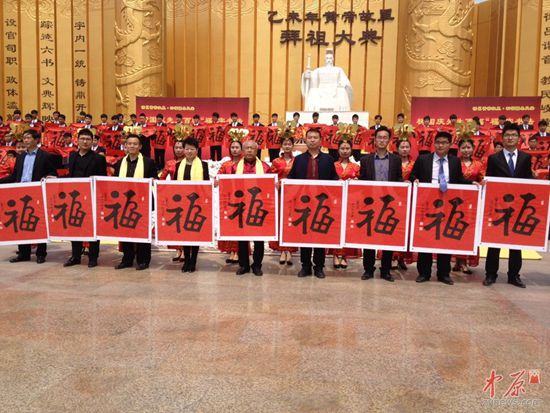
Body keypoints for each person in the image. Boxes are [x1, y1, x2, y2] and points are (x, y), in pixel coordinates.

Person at [409, 131, 472, 285]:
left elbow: (459, 179)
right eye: (438, 142)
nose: (440, 145)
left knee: (445, 238)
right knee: (426, 237)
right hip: (428, 203)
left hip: (448, 205)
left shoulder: (455, 161)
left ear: (450, 145)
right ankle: (424, 272)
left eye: (444, 143)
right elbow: (412, 175)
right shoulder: (423, 159)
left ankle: (444, 273)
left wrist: (472, 183)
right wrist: (414, 180)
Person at [484, 123, 533, 288]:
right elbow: (490, 180)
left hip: (519, 207)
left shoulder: (525, 158)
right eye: (507, 135)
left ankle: (514, 275)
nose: (510, 138)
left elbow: (528, 181)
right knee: (494, 241)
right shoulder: (494, 159)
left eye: (513, 135)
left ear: (519, 138)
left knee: (516, 242)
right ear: (502, 138)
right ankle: (491, 274)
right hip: (499, 206)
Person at [0, 129, 57, 263]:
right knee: (21, 222)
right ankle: (23, 253)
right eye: (24, 138)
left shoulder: (45, 156)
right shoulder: (21, 157)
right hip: (21, 193)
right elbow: (15, 176)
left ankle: (41, 253)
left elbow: (52, 173)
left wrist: (45, 178)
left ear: (36, 140)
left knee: (39, 223)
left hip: (37, 193)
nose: (25, 140)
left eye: (28, 138)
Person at [288, 128, 338, 278]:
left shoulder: (328, 159)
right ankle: (305, 266)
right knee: (305, 235)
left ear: (320, 140)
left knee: (320, 235)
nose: (312, 140)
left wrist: (342, 184)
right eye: (309, 137)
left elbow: (334, 179)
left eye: (315, 137)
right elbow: (291, 178)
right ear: (305, 140)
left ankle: (319, 267)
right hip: (304, 205)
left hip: (322, 205)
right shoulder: (299, 159)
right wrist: (283, 184)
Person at [359, 126, 403, 281]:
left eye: (385, 138)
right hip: (371, 204)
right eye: (379, 137)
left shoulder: (396, 160)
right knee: (369, 237)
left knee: (387, 237)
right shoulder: (365, 160)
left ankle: (385, 270)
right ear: (375, 140)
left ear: (389, 140)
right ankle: (368, 269)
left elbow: (399, 180)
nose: (382, 140)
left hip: (389, 204)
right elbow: (362, 181)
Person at [63, 128, 108, 268]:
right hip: (75, 198)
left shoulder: (99, 158)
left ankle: (93, 257)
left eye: (88, 139)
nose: (85, 142)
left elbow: (103, 180)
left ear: (93, 141)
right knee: (75, 227)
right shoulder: (72, 156)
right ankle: (75, 256)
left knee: (93, 228)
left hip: (92, 198)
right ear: (77, 140)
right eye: (82, 139)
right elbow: (70, 176)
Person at [113, 134, 157, 270]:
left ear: (140, 146)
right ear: (125, 146)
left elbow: (155, 180)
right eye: (129, 143)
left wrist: (153, 181)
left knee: (142, 231)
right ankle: (127, 259)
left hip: (143, 202)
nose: (132, 146)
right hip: (124, 202)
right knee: (126, 231)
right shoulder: (120, 163)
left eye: (135, 144)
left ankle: (143, 260)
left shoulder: (148, 162)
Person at [232, 140, 270, 276]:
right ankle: (244, 265)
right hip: (241, 206)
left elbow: (269, 187)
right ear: (243, 150)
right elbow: (228, 185)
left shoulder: (265, 167)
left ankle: (257, 265)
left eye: (252, 148)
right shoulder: (234, 167)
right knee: (242, 238)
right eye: (246, 148)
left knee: (259, 238)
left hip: (258, 207)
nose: (249, 150)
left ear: (256, 150)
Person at [176, 137, 209, 273]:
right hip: (183, 205)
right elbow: (174, 186)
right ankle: (186, 259)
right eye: (187, 149)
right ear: (183, 150)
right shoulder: (178, 165)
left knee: (195, 233)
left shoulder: (204, 165)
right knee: (185, 233)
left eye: (192, 149)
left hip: (197, 205)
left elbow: (206, 186)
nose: (189, 151)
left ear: (197, 150)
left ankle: (193, 260)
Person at [452, 138, 484, 274]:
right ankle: (456, 260)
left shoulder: (478, 164)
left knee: (468, 230)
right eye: (463, 148)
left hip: (472, 202)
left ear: (473, 149)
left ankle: (464, 260)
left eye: (468, 147)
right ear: (459, 149)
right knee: (455, 229)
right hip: (455, 201)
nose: (466, 150)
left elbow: (483, 180)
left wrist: (480, 185)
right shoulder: (454, 163)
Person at [331, 139, 361, 269]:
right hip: (335, 201)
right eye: (342, 148)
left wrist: (356, 181)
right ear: (338, 150)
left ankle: (344, 255)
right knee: (335, 227)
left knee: (348, 228)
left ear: (351, 150)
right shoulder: (332, 165)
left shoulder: (356, 167)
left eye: (347, 148)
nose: (345, 151)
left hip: (350, 201)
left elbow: (362, 184)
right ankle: (335, 254)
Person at [268, 134, 297, 265]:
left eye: (289, 144)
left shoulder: (297, 161)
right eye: (285, 144)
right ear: (281, 146)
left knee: (291, 220)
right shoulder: (276, 161)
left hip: (293, 195)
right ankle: (282, 250)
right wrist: (276, 183)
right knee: (281, 221)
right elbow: (270, 177)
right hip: (280, 194)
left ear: (293, 146)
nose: (287, 146)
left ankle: (289, 250)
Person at [159, 139, 186, 262]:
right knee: (175, 223)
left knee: (185, 223)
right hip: (173, 197)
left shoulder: (190, 163)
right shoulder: (170, 163)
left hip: (186, 196)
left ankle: (185, 249)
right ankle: (178, 249)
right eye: (176, 148)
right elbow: (162, 178)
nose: (178, 150)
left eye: (181, 148)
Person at [217, 138, 243, 264]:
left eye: (237, 147)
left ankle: (238, 251)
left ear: (241, 149)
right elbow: (218, 177)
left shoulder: (245, 163)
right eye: (232, 147)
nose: (235, 150)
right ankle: (231, 251)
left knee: (240, 225)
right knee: (230, 224)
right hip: (228, 198)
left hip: (242, 199)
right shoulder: (225, 165)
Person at [393, 139, 415, 270]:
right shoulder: (393, 162)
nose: (405, 149)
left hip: (410, 199)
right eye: (402, 147)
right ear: (397, 149)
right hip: (394, 199)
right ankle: (393, 257)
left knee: (406, 228)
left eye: (407, 147)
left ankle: (402, 257)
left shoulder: (415, 164)